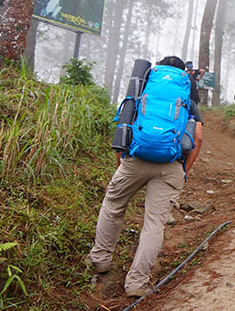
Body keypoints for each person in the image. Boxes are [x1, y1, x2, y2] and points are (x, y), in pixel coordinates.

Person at [85, 56, 204, 297]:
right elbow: (198, 137)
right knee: (153, 224)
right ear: (184, 74)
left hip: (135, 159)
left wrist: (122, 161)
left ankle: (100, 259)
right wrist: (183, 171)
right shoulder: (186, 93)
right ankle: (137, 284)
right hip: (170, 164)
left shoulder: (144, 87)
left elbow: (124, 124)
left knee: (114, 204)